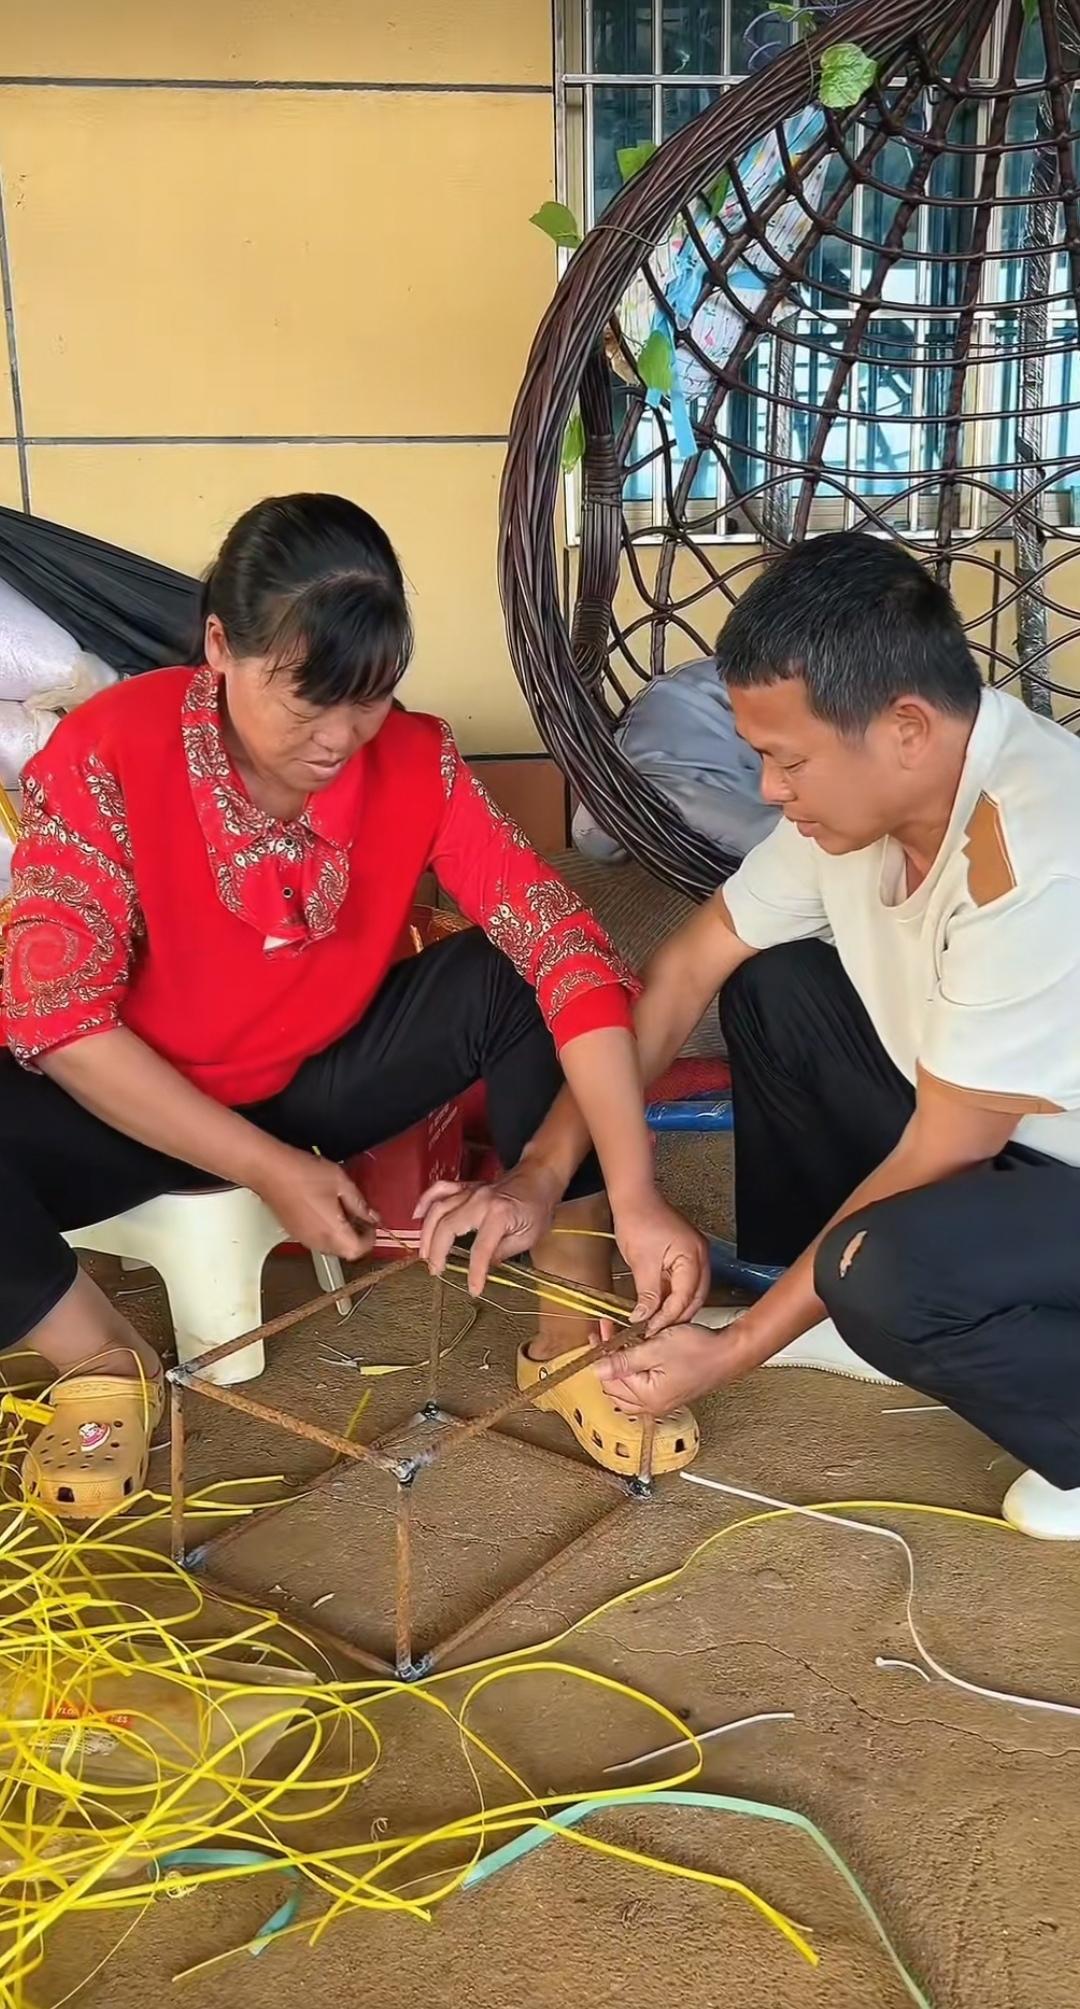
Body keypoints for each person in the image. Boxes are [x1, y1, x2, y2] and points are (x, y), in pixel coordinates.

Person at [0, 492, 708, 1517]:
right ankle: (98, 1355)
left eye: (368, 697)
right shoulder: (111, 749)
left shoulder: (416, 759)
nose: (339, 737)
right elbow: (62, 1025)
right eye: (305, 699)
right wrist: (264, 1166)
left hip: (315, 1076)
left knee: (520, 973)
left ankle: (569, 1323)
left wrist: (636, 1194)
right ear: (219, 648)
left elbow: (569, 957)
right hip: (128, 1104)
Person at [423, 532, 1080, 1542]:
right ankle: (842, 1300)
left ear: (906, 727)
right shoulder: (861, 804)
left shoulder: (1034, 850)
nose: (769, 789)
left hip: (1044, 1167)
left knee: (884, 1266)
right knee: (777, 987)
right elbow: (684, 972)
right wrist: (545, 1172)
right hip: (1014, 1144)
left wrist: (733, 1353)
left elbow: (943, 1149)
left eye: (787, 759)